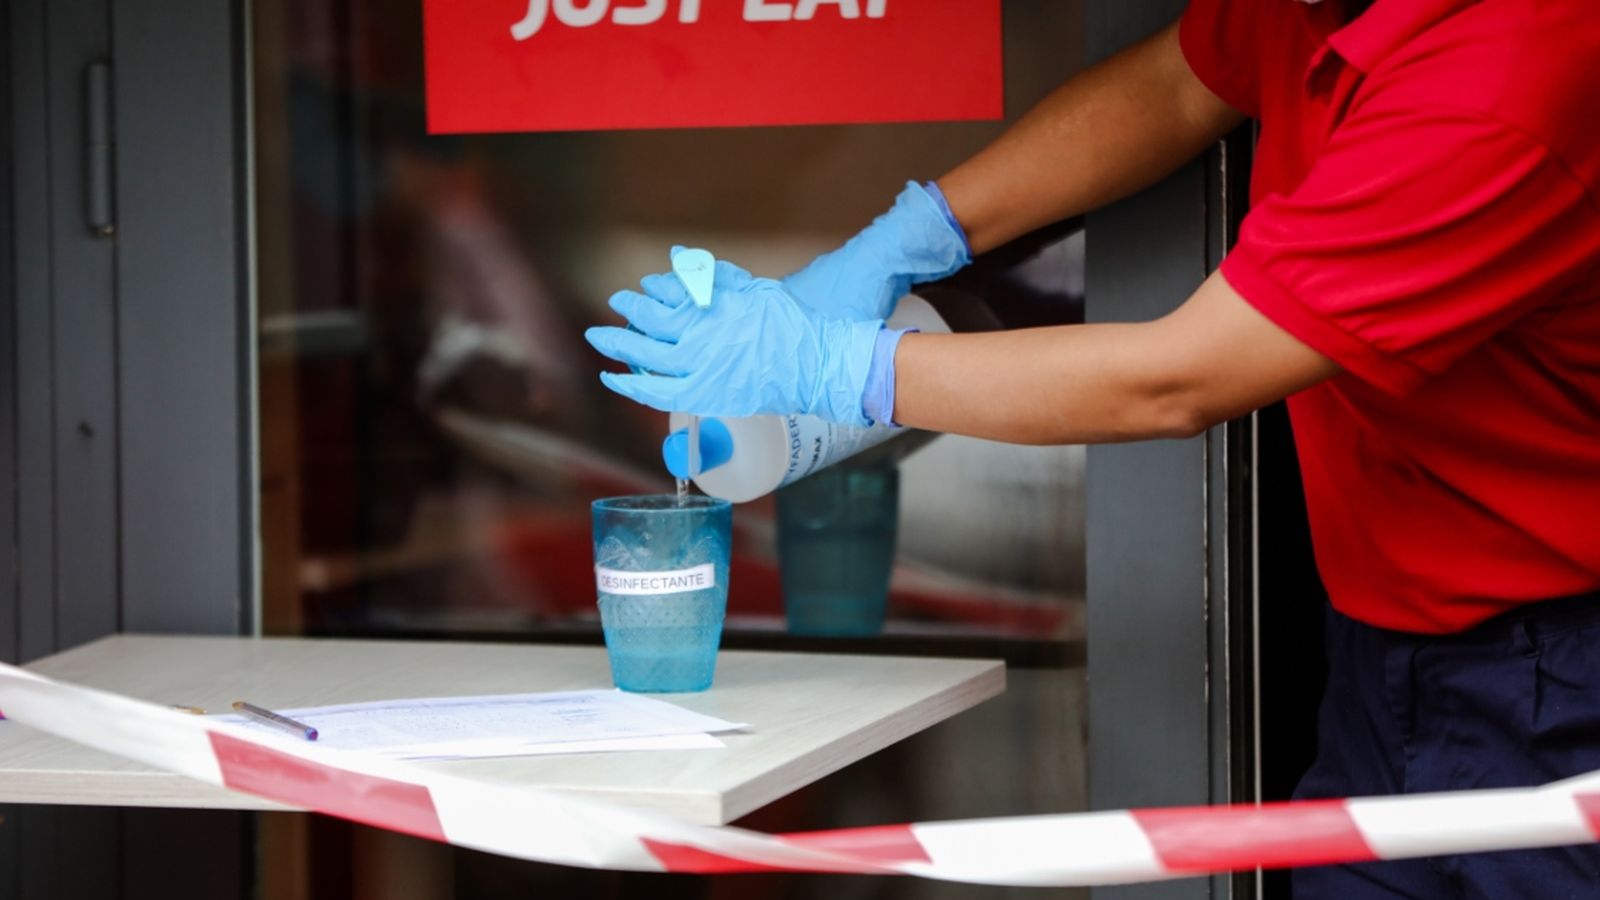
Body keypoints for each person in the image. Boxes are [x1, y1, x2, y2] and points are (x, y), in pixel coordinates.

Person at [586, 0, 1600, 894]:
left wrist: (842, 368)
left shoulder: (1504, 76)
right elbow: (1174, 82)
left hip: (1554, 677)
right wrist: (914, 234)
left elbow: (1177, 378)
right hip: (1389, 647)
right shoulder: (1324, 6)